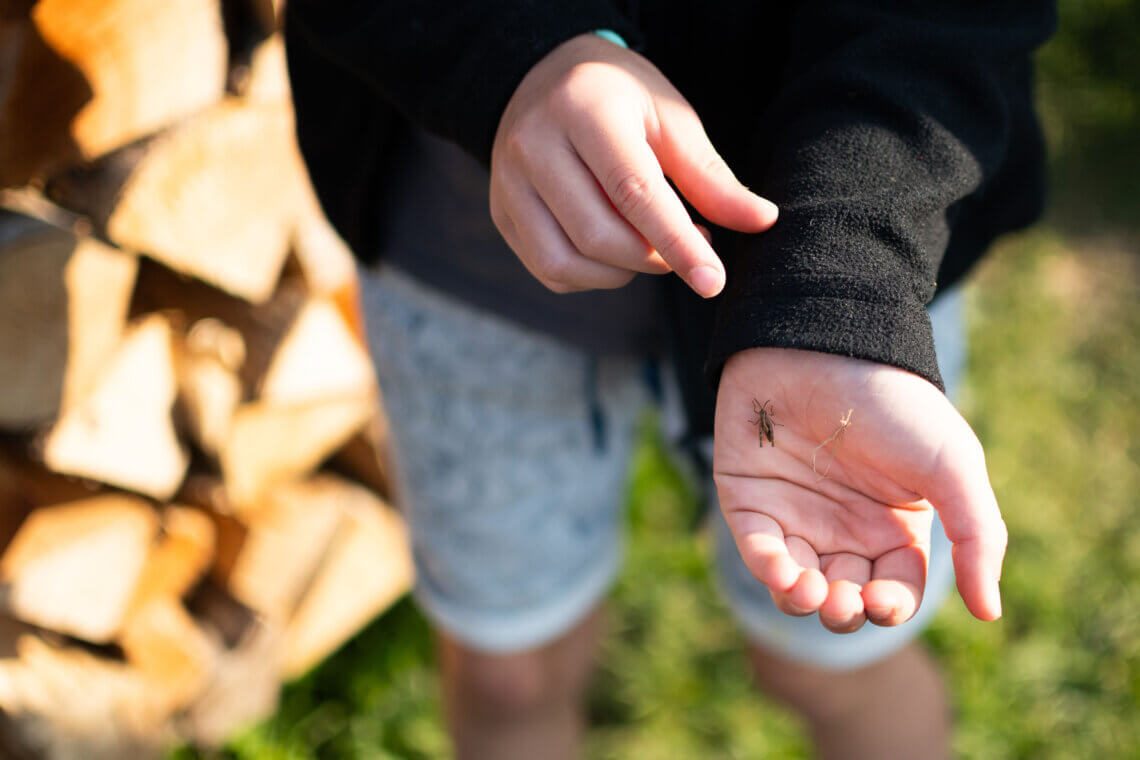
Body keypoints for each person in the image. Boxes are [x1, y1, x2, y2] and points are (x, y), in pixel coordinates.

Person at [285, 3, 1055, 758]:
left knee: (833, 664)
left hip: (860, 247)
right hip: (470, 250)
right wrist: (512, 52)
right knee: (506, 674)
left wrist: (848, 281)